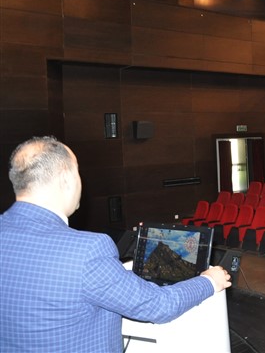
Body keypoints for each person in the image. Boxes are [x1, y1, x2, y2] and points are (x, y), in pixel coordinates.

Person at [0, 137, 232, 352]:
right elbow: (158, 306)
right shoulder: (87, 250)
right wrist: (210, 281)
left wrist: (119, 273)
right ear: (66, 179)